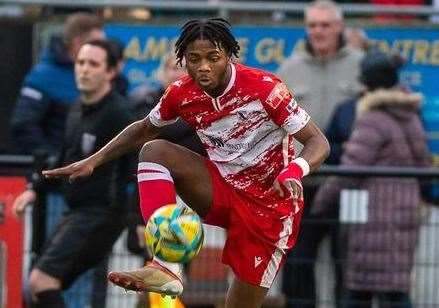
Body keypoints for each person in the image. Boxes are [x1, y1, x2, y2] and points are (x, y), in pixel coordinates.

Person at [42, 18, 330, 308]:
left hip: (270, 208)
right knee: (155, 151)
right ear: (184, 60)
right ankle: (165, 263)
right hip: (223, 190)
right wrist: (93, 161)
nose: (203, 66)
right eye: (194, 59)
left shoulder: (266, 89)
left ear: (228, 56)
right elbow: (144, 129)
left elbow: (319, 142)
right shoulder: (182, 93)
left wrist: (294, 170)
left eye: (213, 58)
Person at [12, 39, 134, 308]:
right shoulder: (76, 108)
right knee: (34, 288)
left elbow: (136, 168)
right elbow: (66, 158)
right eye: (80, 63)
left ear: (111, 72)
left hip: (101, 214)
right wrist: (35, 188)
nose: (84, 70)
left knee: (41, 282)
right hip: (76, 212)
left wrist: (140, 219)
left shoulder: (119, 114)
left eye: (93, 64)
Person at [311, 50, 431, 308]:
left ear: (366, 83)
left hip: (374, 216)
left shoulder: (372, 120)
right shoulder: (410, 115)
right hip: (405, 212)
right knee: (395, 289)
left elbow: (351, 169)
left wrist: (320, 204)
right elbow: (423, 162)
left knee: (359, 291)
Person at [276, 1, 364, 306]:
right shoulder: (289, 68)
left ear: (339, 27)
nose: (318, 31)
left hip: (349, 184)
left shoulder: (360, 65)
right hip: (303, 184)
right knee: (298, 262)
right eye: (312, 25)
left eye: (325, 25)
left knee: (348, 261)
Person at [10, 12, 105, 157]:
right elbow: (23, 125)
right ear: (78, 43)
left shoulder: (104, 74)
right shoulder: (43, 77)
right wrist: (52, 161)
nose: (104, 49)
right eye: (97, 44)